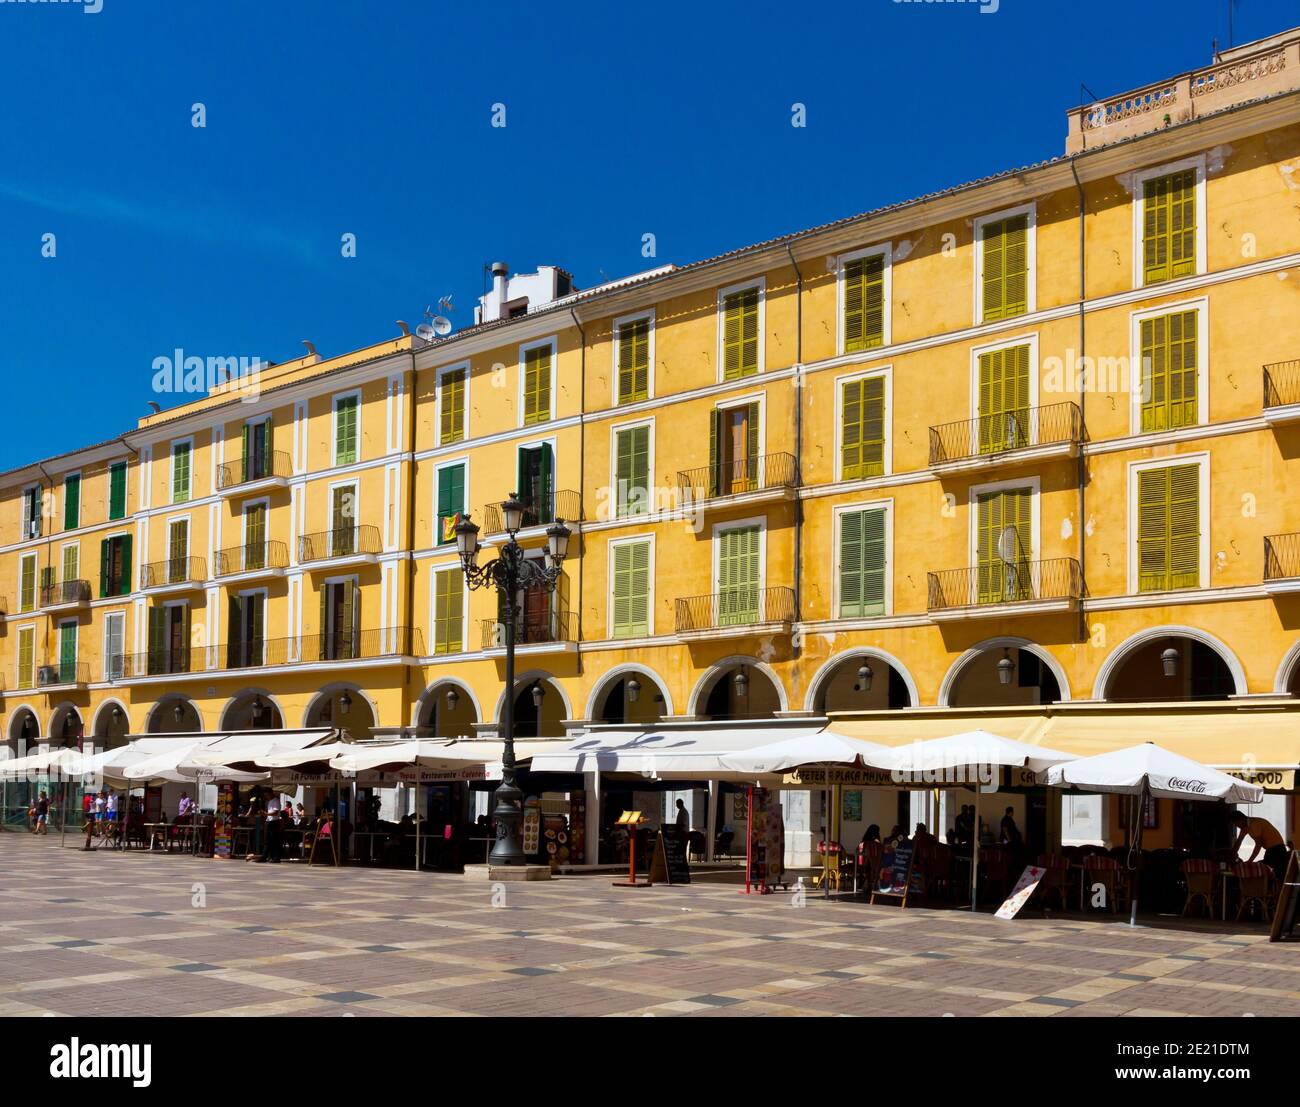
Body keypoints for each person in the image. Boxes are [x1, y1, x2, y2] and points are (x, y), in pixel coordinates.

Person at [1230, 810, 1288, 884]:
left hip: (1277, 850)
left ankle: (1275, 894)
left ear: (1241, 820)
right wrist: (1232, 855)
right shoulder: (1246, 826)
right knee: (1262, 870)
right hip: (1271, 850)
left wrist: (1250, 861)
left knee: (1273, 874)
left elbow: (1258, 845)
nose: (1237, 826)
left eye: (1236, 824)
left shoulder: (1254, 824)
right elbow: (1239, 841)